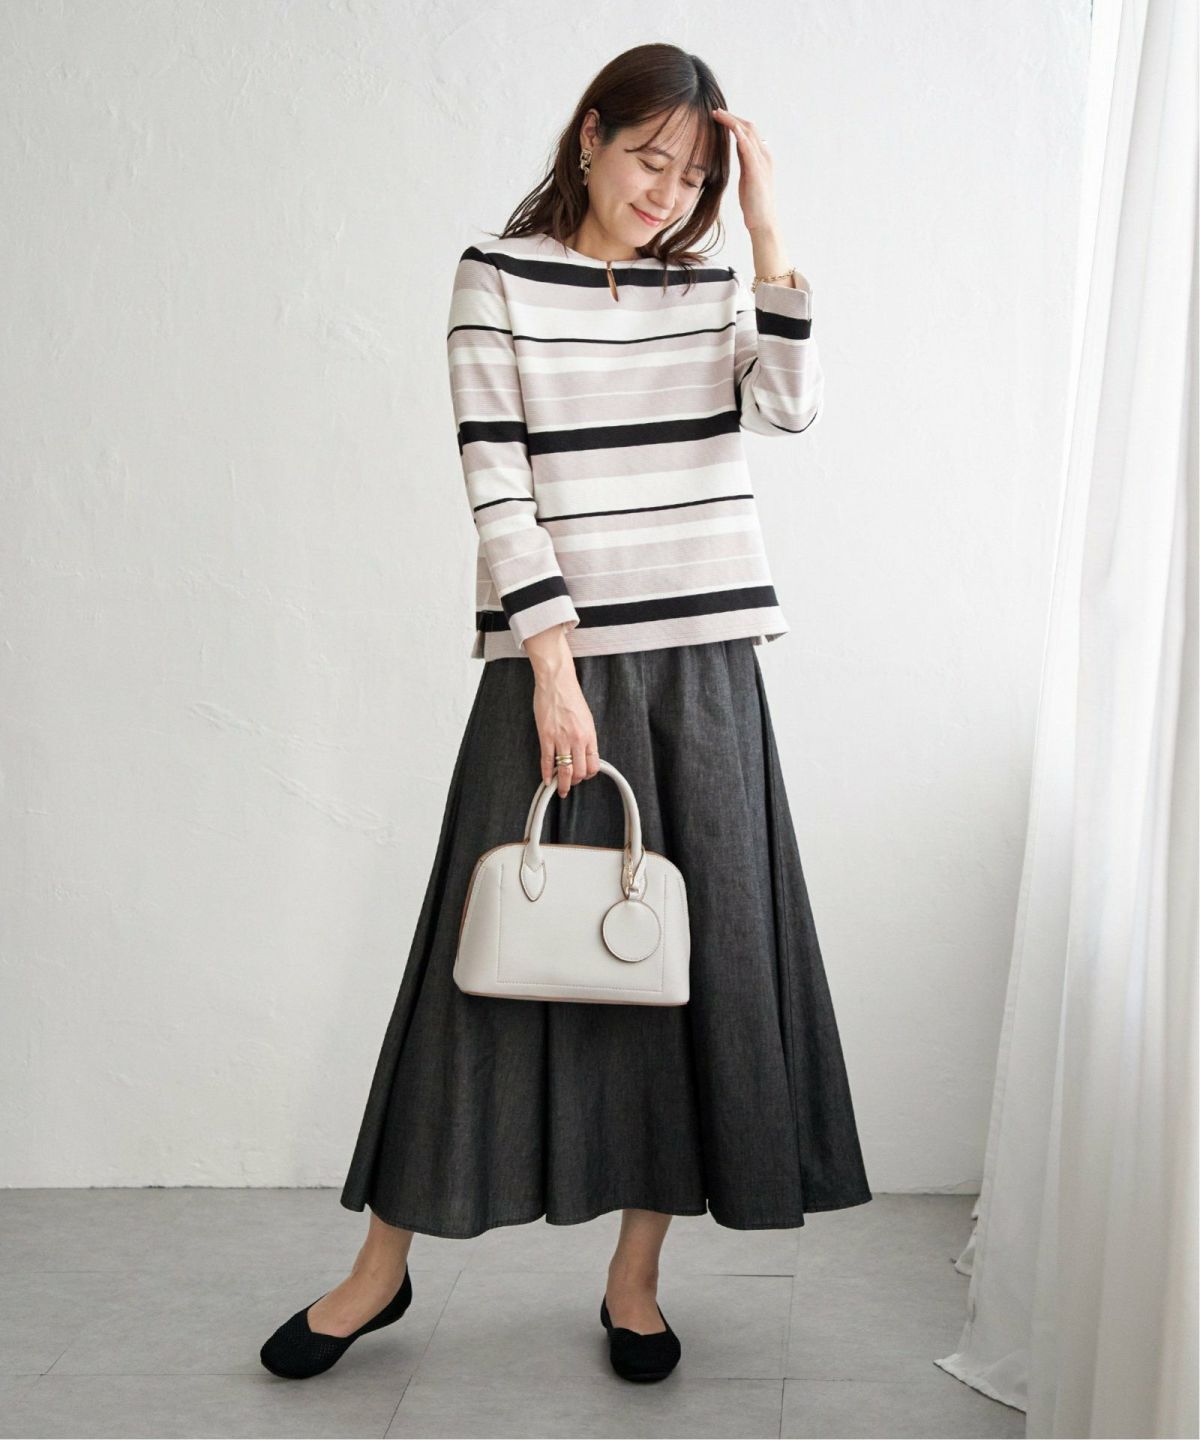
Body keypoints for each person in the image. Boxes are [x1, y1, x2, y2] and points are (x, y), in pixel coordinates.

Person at [260, 41, 871, 1387]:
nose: (667, 193)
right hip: (555, 660)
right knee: (480, 967)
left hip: (705, 665)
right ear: (589, 135)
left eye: (694, 177)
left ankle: (635, 1281)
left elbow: (792, 408)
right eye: (650, 160)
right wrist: (551, 669)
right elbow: (498, 479)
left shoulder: (710, 285)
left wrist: (769, 231)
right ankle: (380, 1272)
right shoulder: (496, 276)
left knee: (690, 973)